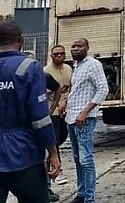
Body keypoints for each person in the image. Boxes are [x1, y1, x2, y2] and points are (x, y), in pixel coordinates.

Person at [0, 20, 61, 203]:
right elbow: (40, 118)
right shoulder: (30, 68)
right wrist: (52, 151)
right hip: (24, 155)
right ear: (20, 40)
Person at [66, 38, 108, 203]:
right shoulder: (77, 66)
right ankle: (81, 193)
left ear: (87, 48)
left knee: (86, 159)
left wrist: (85, 112)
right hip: (72, 118)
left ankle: (89, 199)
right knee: (77, 158)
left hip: (84, 119)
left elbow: (103, 89)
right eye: (73, 46)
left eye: (79, 46)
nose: (75, 49)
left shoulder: (93, 64)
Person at [45, 45, 73, 186]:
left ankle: (50, 161)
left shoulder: (68, 69)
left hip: (65, 110)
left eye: (62, 54)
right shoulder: (46, 71)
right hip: (52, 110)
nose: (60, 56)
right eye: (56, 54)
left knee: (63, 136)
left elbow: (72, 86)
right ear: (52, 56)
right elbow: (42, 91)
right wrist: (56, 91)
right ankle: (57, 169)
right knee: (54, 140)